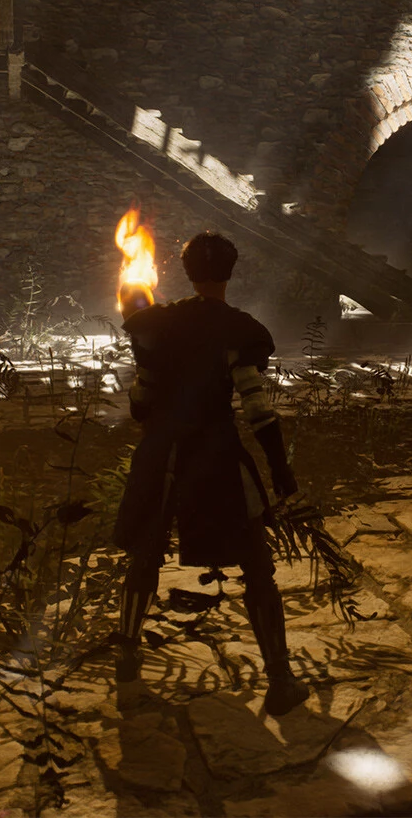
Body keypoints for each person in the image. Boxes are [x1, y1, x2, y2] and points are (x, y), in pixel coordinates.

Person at [112, 231, 309, 715]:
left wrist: (156, 405)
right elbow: (257, 409)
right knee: (257, 567)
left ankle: (126, 660)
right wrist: (280, 471)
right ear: (230, 272)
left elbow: (141, 399)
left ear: (187, 271)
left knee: (145, 556)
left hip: (163, 452)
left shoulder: (156, 324)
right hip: (215, 455)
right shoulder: (238, 330)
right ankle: (280, 681)